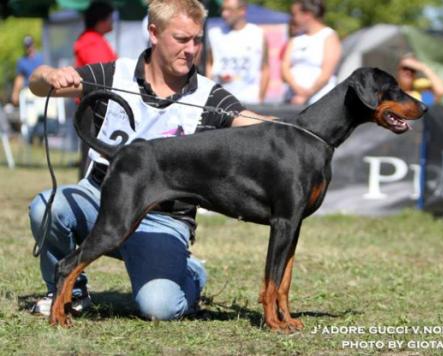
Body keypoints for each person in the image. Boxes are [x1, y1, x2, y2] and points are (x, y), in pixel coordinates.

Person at [28, 0, 267, 320]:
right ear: (154, 33)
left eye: (197, 40)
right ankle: (71, 291)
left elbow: (252, 124)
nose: (191, 49)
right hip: (100, 200)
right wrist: (50, 74)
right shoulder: (114, 73)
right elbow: (38, 86)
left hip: (164, 219)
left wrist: (301, 129)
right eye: (181, 39)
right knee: (47, 206)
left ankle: (190, 272)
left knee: (160, 308)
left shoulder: (209, 97)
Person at [74, 1, 118, 178]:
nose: (112, 22)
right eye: (110, 19)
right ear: (101, 21)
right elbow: (100, 79)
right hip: (94, 107)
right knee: (90, 160)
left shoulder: (93, 40)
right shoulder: (92, 42)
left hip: (95, 105)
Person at [206, 0, 270, 104]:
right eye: (223, 9)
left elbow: (265, 68)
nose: (224, 14)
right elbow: (209, 64)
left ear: (242, 11)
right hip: (220, 101)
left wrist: (260, 99)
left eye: (229, 10)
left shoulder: (257, 34)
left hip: (250, 101)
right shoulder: (214, 34)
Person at [281, 0, 342, 105]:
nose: (292, 18)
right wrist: (297, 90)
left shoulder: (329, 36)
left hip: (320, 101)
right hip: (292, 100)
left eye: (294, 14)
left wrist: (306, 95)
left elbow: (326, 73)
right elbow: (284, 66)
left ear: (307, 15)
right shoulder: (295, 39)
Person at [10, 35, 44, 107]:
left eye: (30, 45)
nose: (29, 48)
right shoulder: (22, 61)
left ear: (33, 44)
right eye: (27, 46)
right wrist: (15, 93)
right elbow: (19, 78)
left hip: (43, 89)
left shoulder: (41, 57)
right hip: (29, 92)